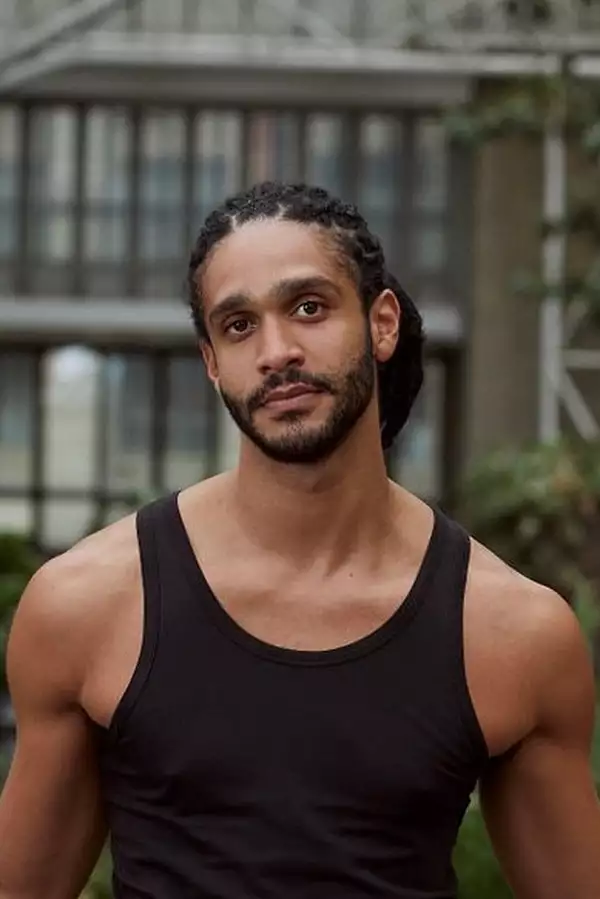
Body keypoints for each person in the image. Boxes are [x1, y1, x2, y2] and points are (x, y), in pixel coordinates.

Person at [0, 181, 599, 899]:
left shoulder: (513, 631)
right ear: (212, 361)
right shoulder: (86, 605)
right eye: (239, 325)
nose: (276, 351)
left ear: (382, 324)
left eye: (308, 307)